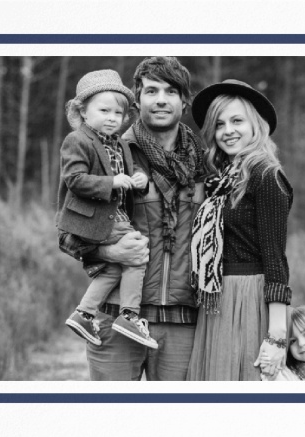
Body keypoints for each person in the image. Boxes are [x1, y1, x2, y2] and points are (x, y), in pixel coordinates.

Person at [80, 57, 206, 381]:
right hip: (115, 315)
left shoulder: (204, 165)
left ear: (184, 100)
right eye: (151, 90)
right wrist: (109, 253)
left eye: (171, 91)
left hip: (183, 322)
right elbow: (69, 231)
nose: (161, 99)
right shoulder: (106, 153)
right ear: (137, 99)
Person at [187, 79, 293, 381]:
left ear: (255, 125)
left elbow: (275, 259)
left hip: (249, 298)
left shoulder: (266, 175)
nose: (228, 131)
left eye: (237, 121)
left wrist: (276, 336)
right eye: (219, 124)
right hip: (217, 297)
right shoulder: (221, 181)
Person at [56, 69, 157, 349]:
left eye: (118, 113)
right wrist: (112, 182)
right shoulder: (78, 140)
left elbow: (133, 168)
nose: (112, 118)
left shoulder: (121, 144)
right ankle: (129, 316)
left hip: (113, 215)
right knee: (137, 254)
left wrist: (140, 178)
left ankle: (84, 313)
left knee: (112, 270)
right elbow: (74, 180)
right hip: (95, 216)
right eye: (104, 110)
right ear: (83, 113)